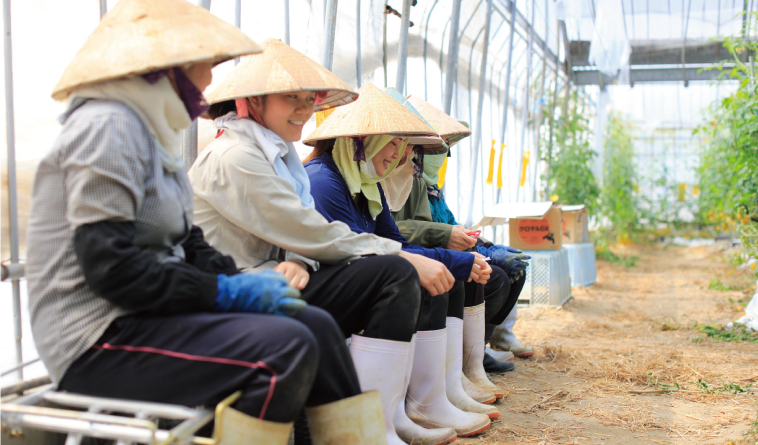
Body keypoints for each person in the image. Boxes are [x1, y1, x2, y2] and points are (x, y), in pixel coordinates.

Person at [25, 2, 383, 444]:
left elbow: (188, 240)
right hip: (97, 337)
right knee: (284, 349)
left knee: (316, 326)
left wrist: (234, 282)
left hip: (147, 316)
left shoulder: (152, 132)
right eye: (203, 66)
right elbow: (111, 269)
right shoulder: (107, 127)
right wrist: (224, 292)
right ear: (165, 68)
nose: (210, 80)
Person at [187, 39, 459, 445]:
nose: (304, 108)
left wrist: (301, 259)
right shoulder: (236, 156)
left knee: (399, 272)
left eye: (308, 98)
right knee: (393, 272)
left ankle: (389, 418)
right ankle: (368, 431)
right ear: (251, 103)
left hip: (276, 277)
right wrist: (403, 255)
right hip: (241, 285)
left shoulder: (280, 157)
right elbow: (308, 228)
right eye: (289, 98)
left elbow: (300, 232)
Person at [304, 83, 498, 440]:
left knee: (438, 272)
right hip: (314, 286)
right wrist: (440, 258)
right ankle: (382, 421)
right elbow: (352, 251)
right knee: (403, 270)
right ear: (361, 140)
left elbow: (393, 242)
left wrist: (453, 261)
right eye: (392, 142)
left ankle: (421, 404)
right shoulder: (324, 180)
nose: (399, 155)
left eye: (402, 145)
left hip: (348, 284)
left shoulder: (366, 183)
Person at [400, 95, 535, 361]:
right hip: (415, 256)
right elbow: (401, 231)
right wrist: (456, 242)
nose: (443, 154)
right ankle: (466, 356)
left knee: (507, 271)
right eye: (438, 147)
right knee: (487, 277)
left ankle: (481, 346)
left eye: (445, 147)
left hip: (428, 252)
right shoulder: (403, 181)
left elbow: (449, 224)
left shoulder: (428, 186)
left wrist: (484, 245)